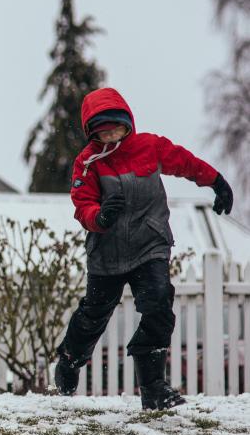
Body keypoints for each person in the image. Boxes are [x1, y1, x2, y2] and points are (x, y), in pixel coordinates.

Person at [53, 87, 234, 410]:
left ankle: (152, 386)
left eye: (115, 127)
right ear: (92, 132)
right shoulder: (87, 162)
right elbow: (82, 206)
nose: (110, 135)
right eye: (102, 131)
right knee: (93, 315)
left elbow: (185, 163)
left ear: (127, 123)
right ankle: (70, 357)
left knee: (158, 304)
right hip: (107, 252)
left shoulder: (149, 147)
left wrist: (216, 182)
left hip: (150, 244)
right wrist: (101, 216)